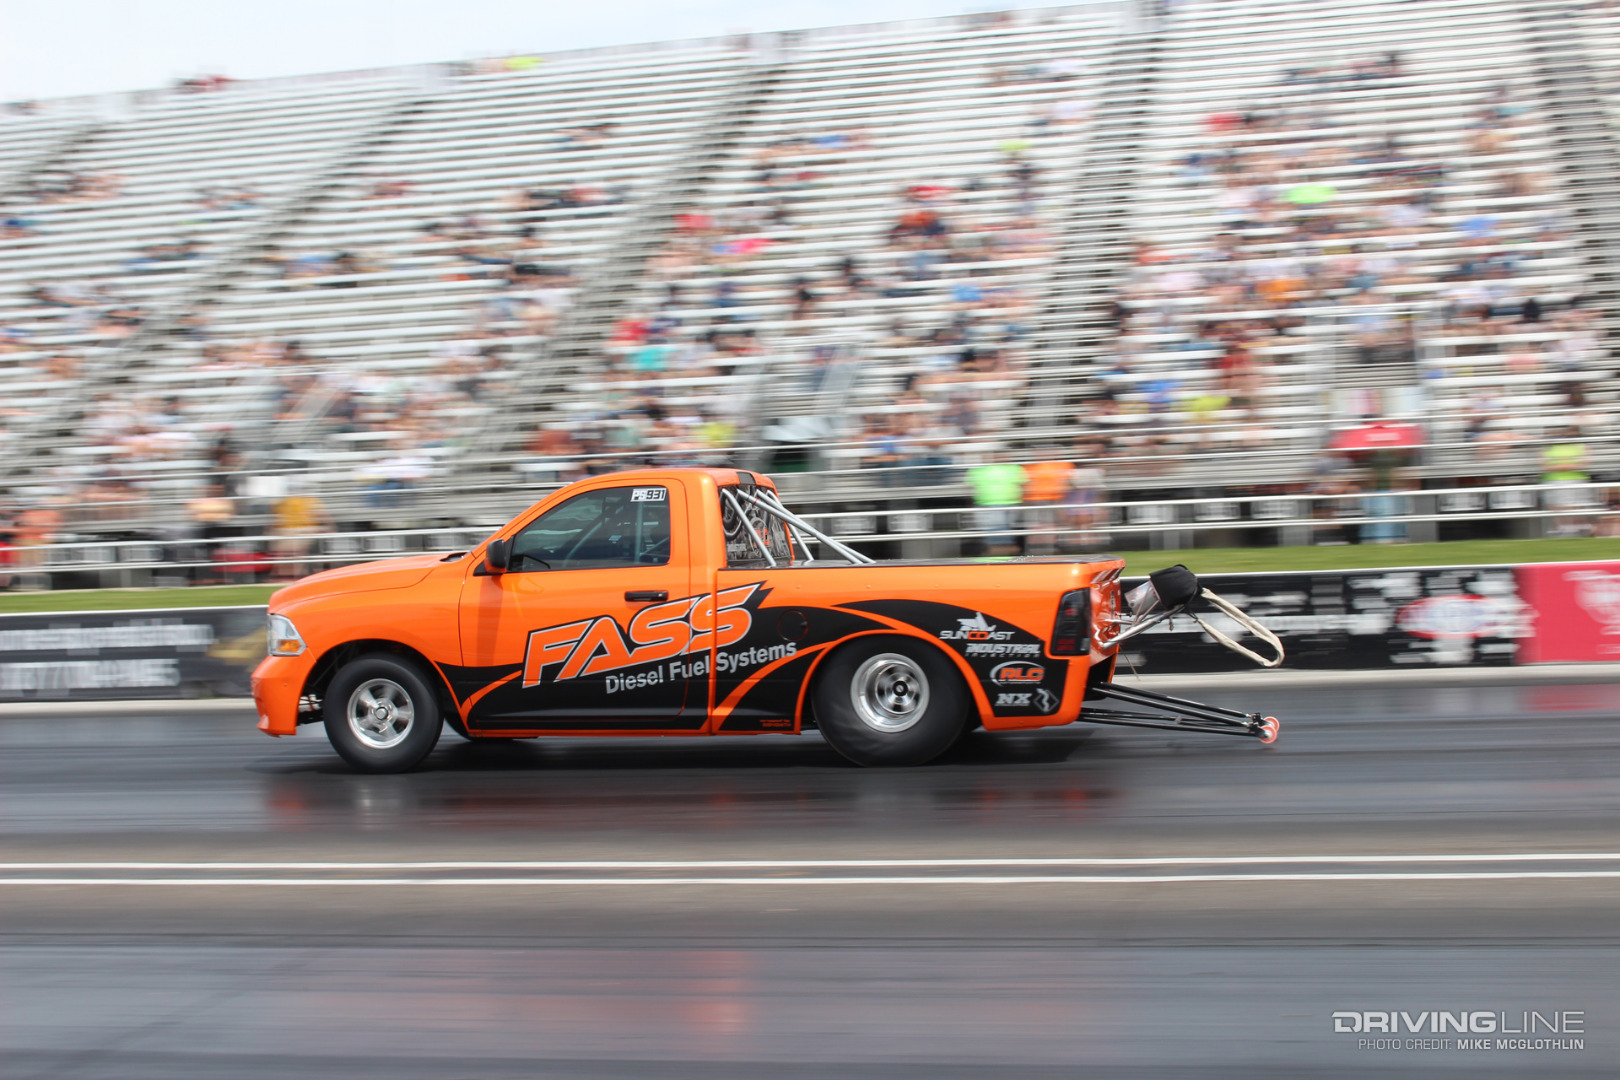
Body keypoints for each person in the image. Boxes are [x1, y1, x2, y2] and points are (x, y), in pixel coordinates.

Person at [967, 452, 1025, 556]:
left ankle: (1001, 554)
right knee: (996, 533)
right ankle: (999, 554)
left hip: (1009, 504)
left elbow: (1023, 485)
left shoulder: (1014, 468)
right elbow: (971, 488)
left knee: (1002, 533)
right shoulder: (979, 469)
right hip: (989, 504)